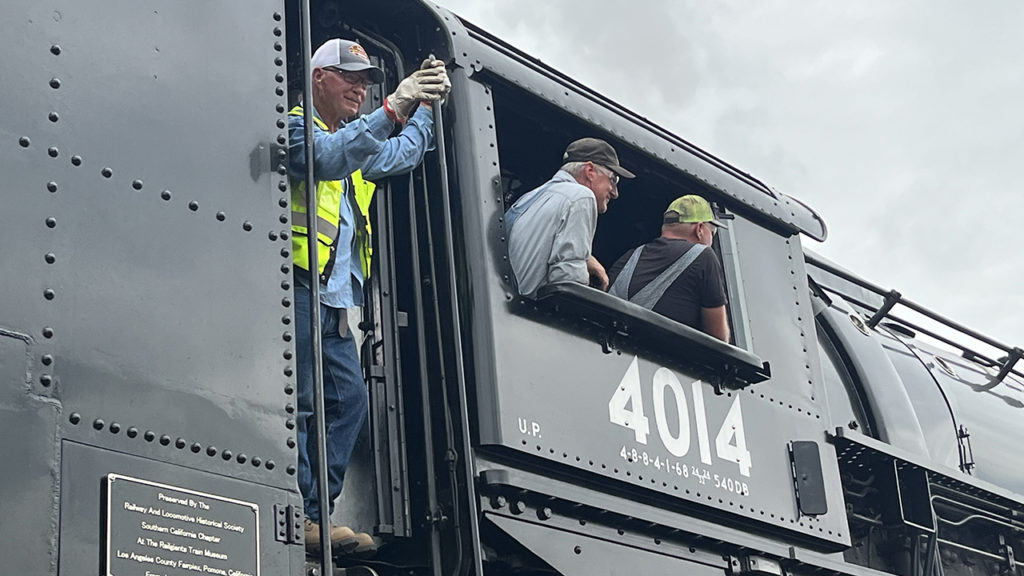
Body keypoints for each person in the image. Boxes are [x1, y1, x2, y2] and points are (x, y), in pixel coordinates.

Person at [288, 38, 450, 555]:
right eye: (349, 77)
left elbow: (403, 152)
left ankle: (315, 514)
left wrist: (424, 106)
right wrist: (395, 107)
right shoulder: (293, 128)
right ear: (318, 77)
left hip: (335, 304)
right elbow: (324, 158)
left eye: (366, 82)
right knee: (302, 401)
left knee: (349, 403)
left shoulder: (356, 143)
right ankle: (296, 514)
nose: (360, 88)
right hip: (295, 289)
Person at [506, 138, 635, 298]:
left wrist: (586, 258)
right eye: (613, 180)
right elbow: (568, 281)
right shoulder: (581, 196)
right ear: (590, 171)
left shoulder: (531, 197)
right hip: (525, 309)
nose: (615, 193)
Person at [607, 195, 731, 342]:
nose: (712, 239)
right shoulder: (705, 257)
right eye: (712, 232)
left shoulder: (629, 257)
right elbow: (718, 338)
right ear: (699, 229)